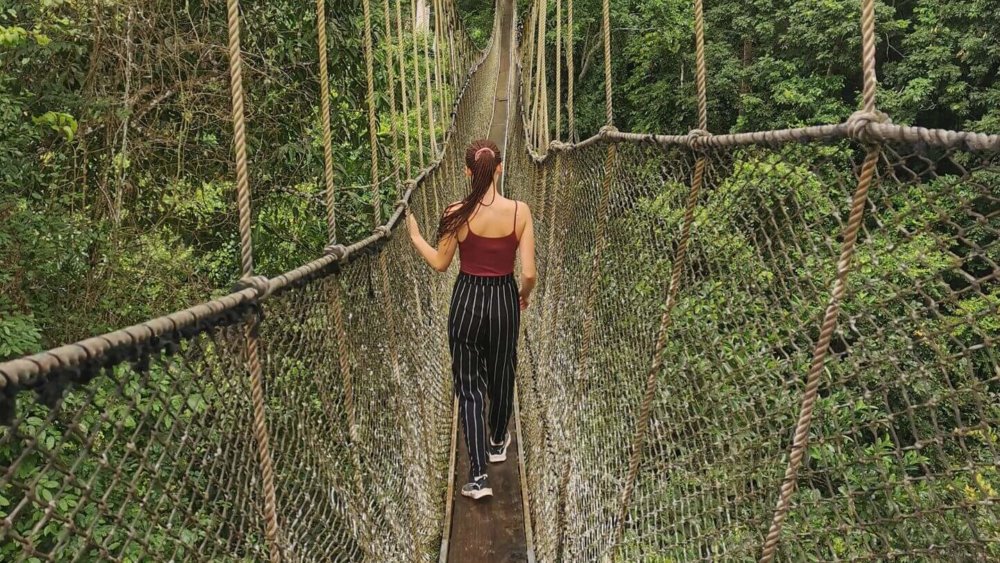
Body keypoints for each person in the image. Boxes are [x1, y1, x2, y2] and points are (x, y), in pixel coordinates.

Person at [406, 139, 536, 500]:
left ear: (466, 172)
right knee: (501, 372)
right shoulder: (519, 212)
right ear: (500, 169)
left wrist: (416, 238)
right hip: (503, 301)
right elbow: (528, 272)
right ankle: (498, 440)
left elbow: (440, 263)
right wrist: (523, 296)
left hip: (466, 300)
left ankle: (478, 477)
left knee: (469, 387)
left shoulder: (455, 212)